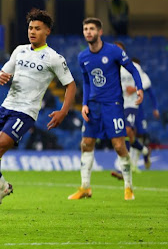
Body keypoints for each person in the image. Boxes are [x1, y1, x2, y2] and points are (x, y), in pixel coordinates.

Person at [0, 9, 76, 211]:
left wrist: (63, 111)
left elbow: (71, 85)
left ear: (47, 31)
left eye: (37, 28)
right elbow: (3, 72)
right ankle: (2, 185)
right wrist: (0, 76)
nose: (32, 31)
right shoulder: (19, 50)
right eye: (30, 28)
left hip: (25, 112)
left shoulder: (54, 58)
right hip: (6, 107)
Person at [68, 18, 143, 201]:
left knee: (118, 145)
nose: (88, 32)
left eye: (92, 29)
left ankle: (128, 187)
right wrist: (85, 103)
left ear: (100, 32)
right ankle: (85, 187)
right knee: (86, 144)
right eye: (85, 29)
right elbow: (86, 82)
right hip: (93, 106)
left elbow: (133, 70)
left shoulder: (114, 51)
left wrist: (139, 88)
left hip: (113, 105)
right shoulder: (83, 57)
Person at [110, 43, 158, 178]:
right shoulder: (112, 70)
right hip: (118, 104)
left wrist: (136, 88)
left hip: (131, 104)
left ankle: (123, 169)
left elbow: (146, 83)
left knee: (127, 131)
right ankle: (144, 150)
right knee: (126, 135)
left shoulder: (133, 66)